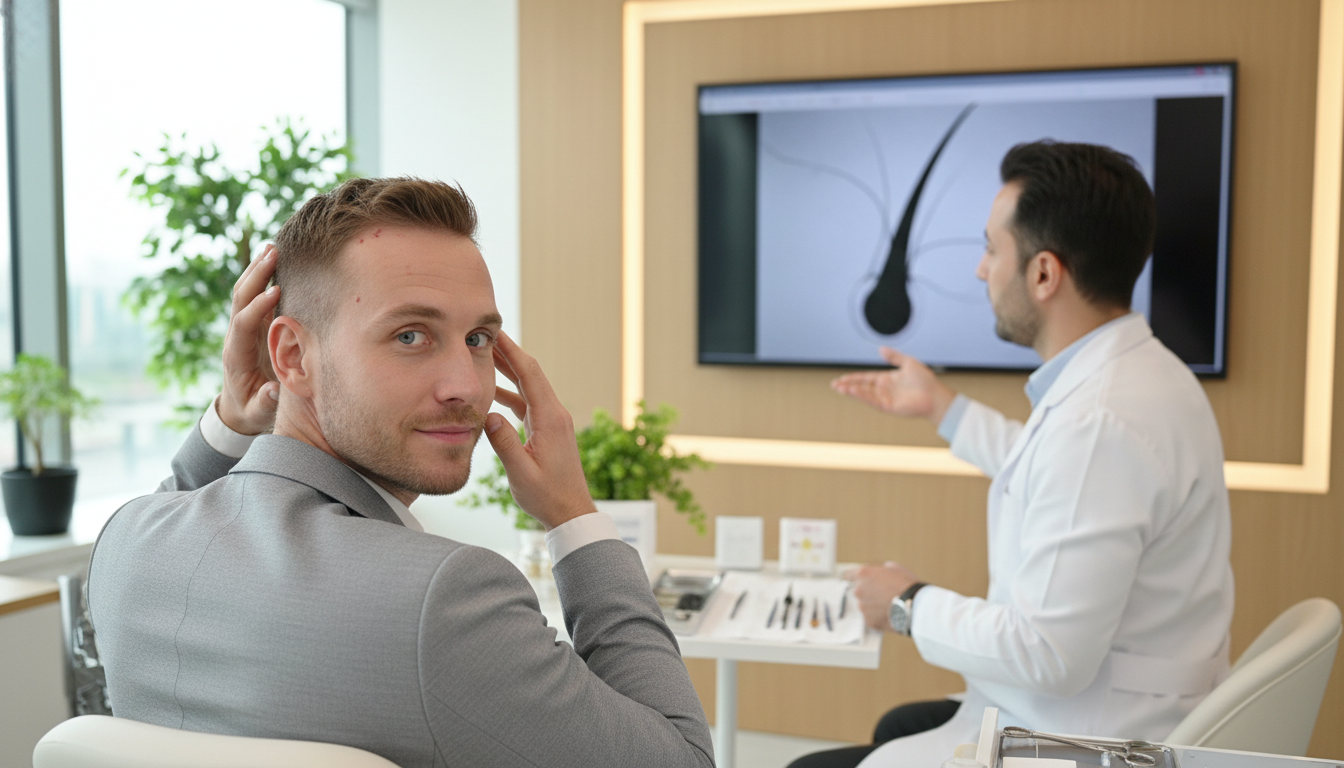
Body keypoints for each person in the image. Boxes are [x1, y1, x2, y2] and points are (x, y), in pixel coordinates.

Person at [85, 178, 715, 768]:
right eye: (411, 336)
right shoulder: (447, 597)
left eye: (477, 339)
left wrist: (231, 417)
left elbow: (180, 505)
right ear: (291, 355)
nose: (468, 388)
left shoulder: (128, 546)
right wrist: (574, 514)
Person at [791, 141, 1234, 768]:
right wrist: (943, 407)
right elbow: (1055, 475)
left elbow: (1049, 654)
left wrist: (908, 602)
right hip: (1118, 703)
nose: (981, 270)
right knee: (900, 725)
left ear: (1044, 273)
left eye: (992, 249)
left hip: (1093, 735)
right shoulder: (1142, 375)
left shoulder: (1101, 420)